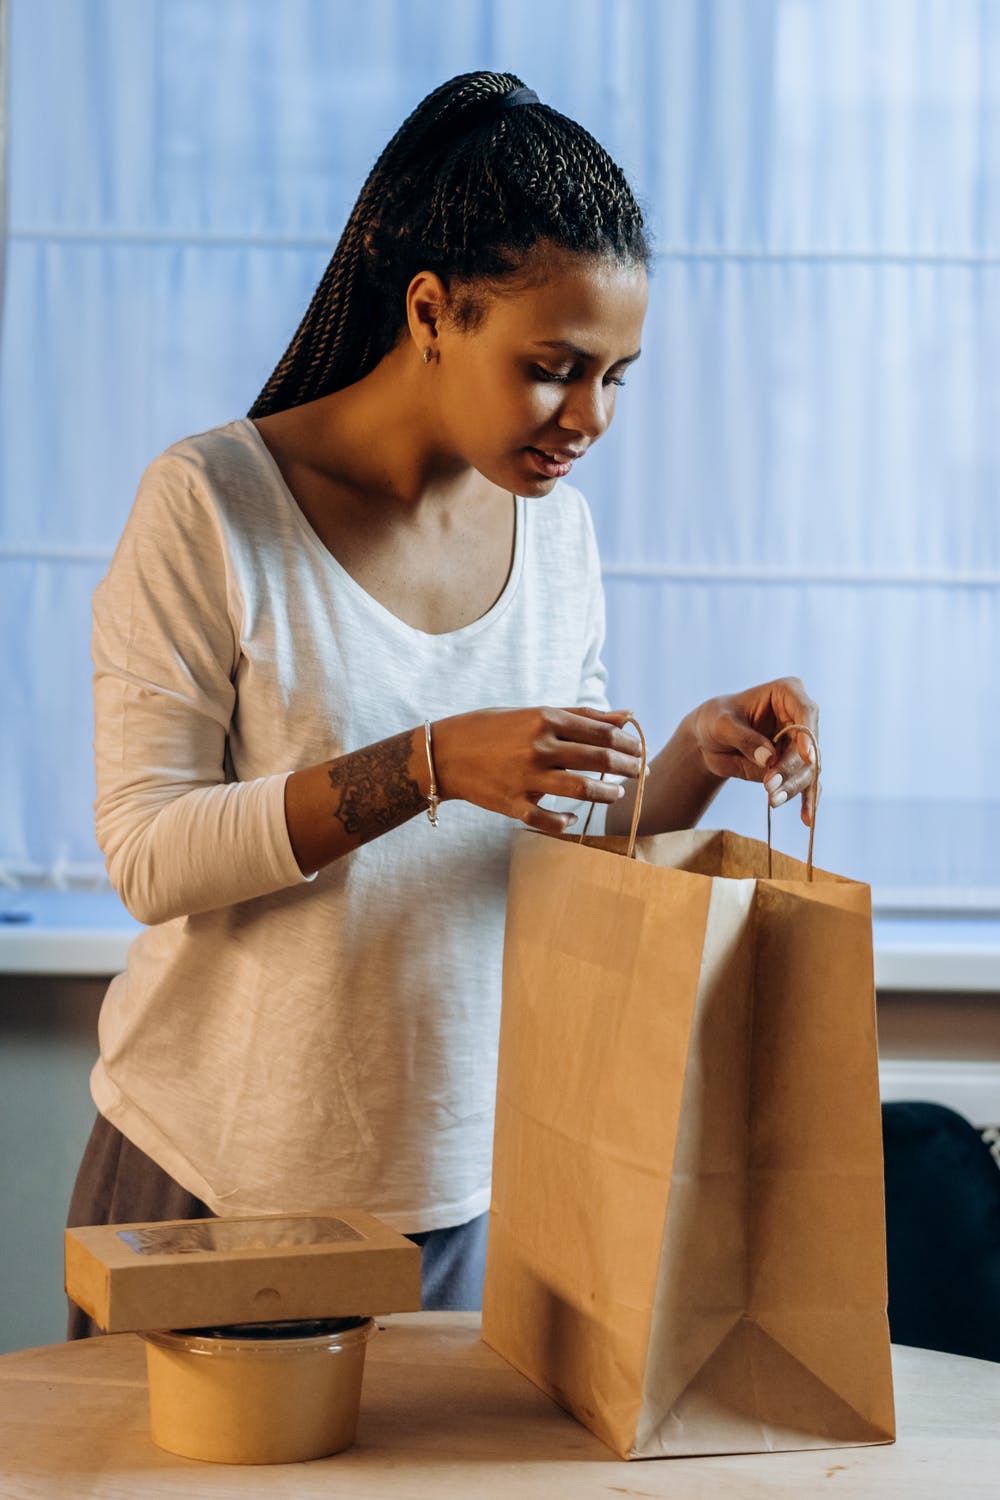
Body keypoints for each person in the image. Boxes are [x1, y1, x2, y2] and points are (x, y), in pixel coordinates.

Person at [67, 70, 818, 1335]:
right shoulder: (209, 506)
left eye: (617, 377)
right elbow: (148, 855)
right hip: (216, 1182)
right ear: (430, 312)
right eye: (553, 367)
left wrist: (692, 754)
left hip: (465, 1191)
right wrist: (419, 764)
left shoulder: (557, 539)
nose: (589, 417)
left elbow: (564, 838)